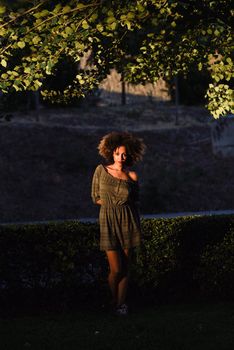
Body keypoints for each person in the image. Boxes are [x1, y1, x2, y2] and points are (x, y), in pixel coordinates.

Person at [91, 131, 145, 315]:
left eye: (124, 154)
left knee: (126, 268)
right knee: (116, 269)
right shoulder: (101, 170)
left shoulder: (132, 177)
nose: (121, 157)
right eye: (117, 153)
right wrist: (111, 204)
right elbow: (95, 198)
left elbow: (136, 202)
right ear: (110, 152)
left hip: (128, 221)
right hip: (108, 221)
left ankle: (121, 305)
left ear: (129, 154)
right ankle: (113, 301)